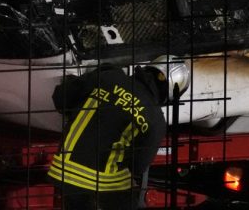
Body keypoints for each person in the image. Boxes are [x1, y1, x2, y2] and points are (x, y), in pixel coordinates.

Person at [48, 55, 190, 210]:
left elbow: (61, 98)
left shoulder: (109, 76)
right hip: (106, 185)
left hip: (64, 171)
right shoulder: (155, 120)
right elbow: (139, 166)